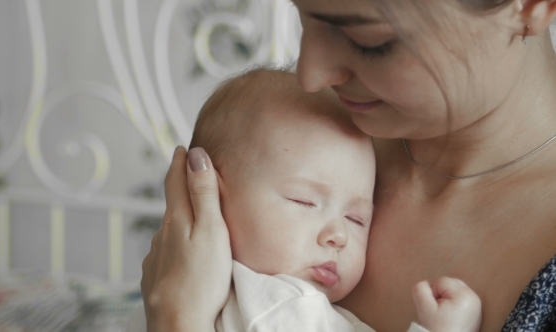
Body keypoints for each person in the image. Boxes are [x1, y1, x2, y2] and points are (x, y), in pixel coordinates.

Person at [140, 0, 556, 331]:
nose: (311, 74)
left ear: (529, 6)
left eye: (369, 40)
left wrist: (179, 322)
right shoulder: (298, 144)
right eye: (304, 18)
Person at [130, 68, 481, 332]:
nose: (338, 236)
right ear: (212, 200)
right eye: (304, 202)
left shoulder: (166, 291)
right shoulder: (285, 307)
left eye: (357, 219)